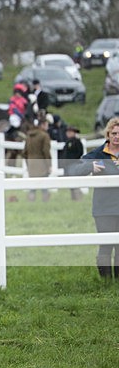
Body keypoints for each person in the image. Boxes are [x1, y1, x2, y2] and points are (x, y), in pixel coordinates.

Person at [68, 117, 119, 280]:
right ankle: (105, 283)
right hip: (104, 209)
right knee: (106, 245)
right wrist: (89, 167)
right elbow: (73, 170)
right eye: (114, 133)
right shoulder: (97, 153)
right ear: (108, 134)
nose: (117, 136)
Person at [23, 117, 52, 202]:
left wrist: (28, 163)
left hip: (31, 163)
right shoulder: (44, 136)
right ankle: (45, 203)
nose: (47, 127)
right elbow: (46, 152)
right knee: (44, 186)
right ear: (42, 125)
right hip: (42, 163)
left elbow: (25, 152)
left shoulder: (29, 135)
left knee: (32, 187)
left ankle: (31, 202)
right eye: (46, 125)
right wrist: (49, 165)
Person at [61, 126, 84, 200]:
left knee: (75, 182)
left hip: (74, 164)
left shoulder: (76, 142)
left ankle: (78, 198)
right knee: (70, 183)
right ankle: (74, 198)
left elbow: (80, 152)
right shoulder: (67, 142)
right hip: (67, 165)